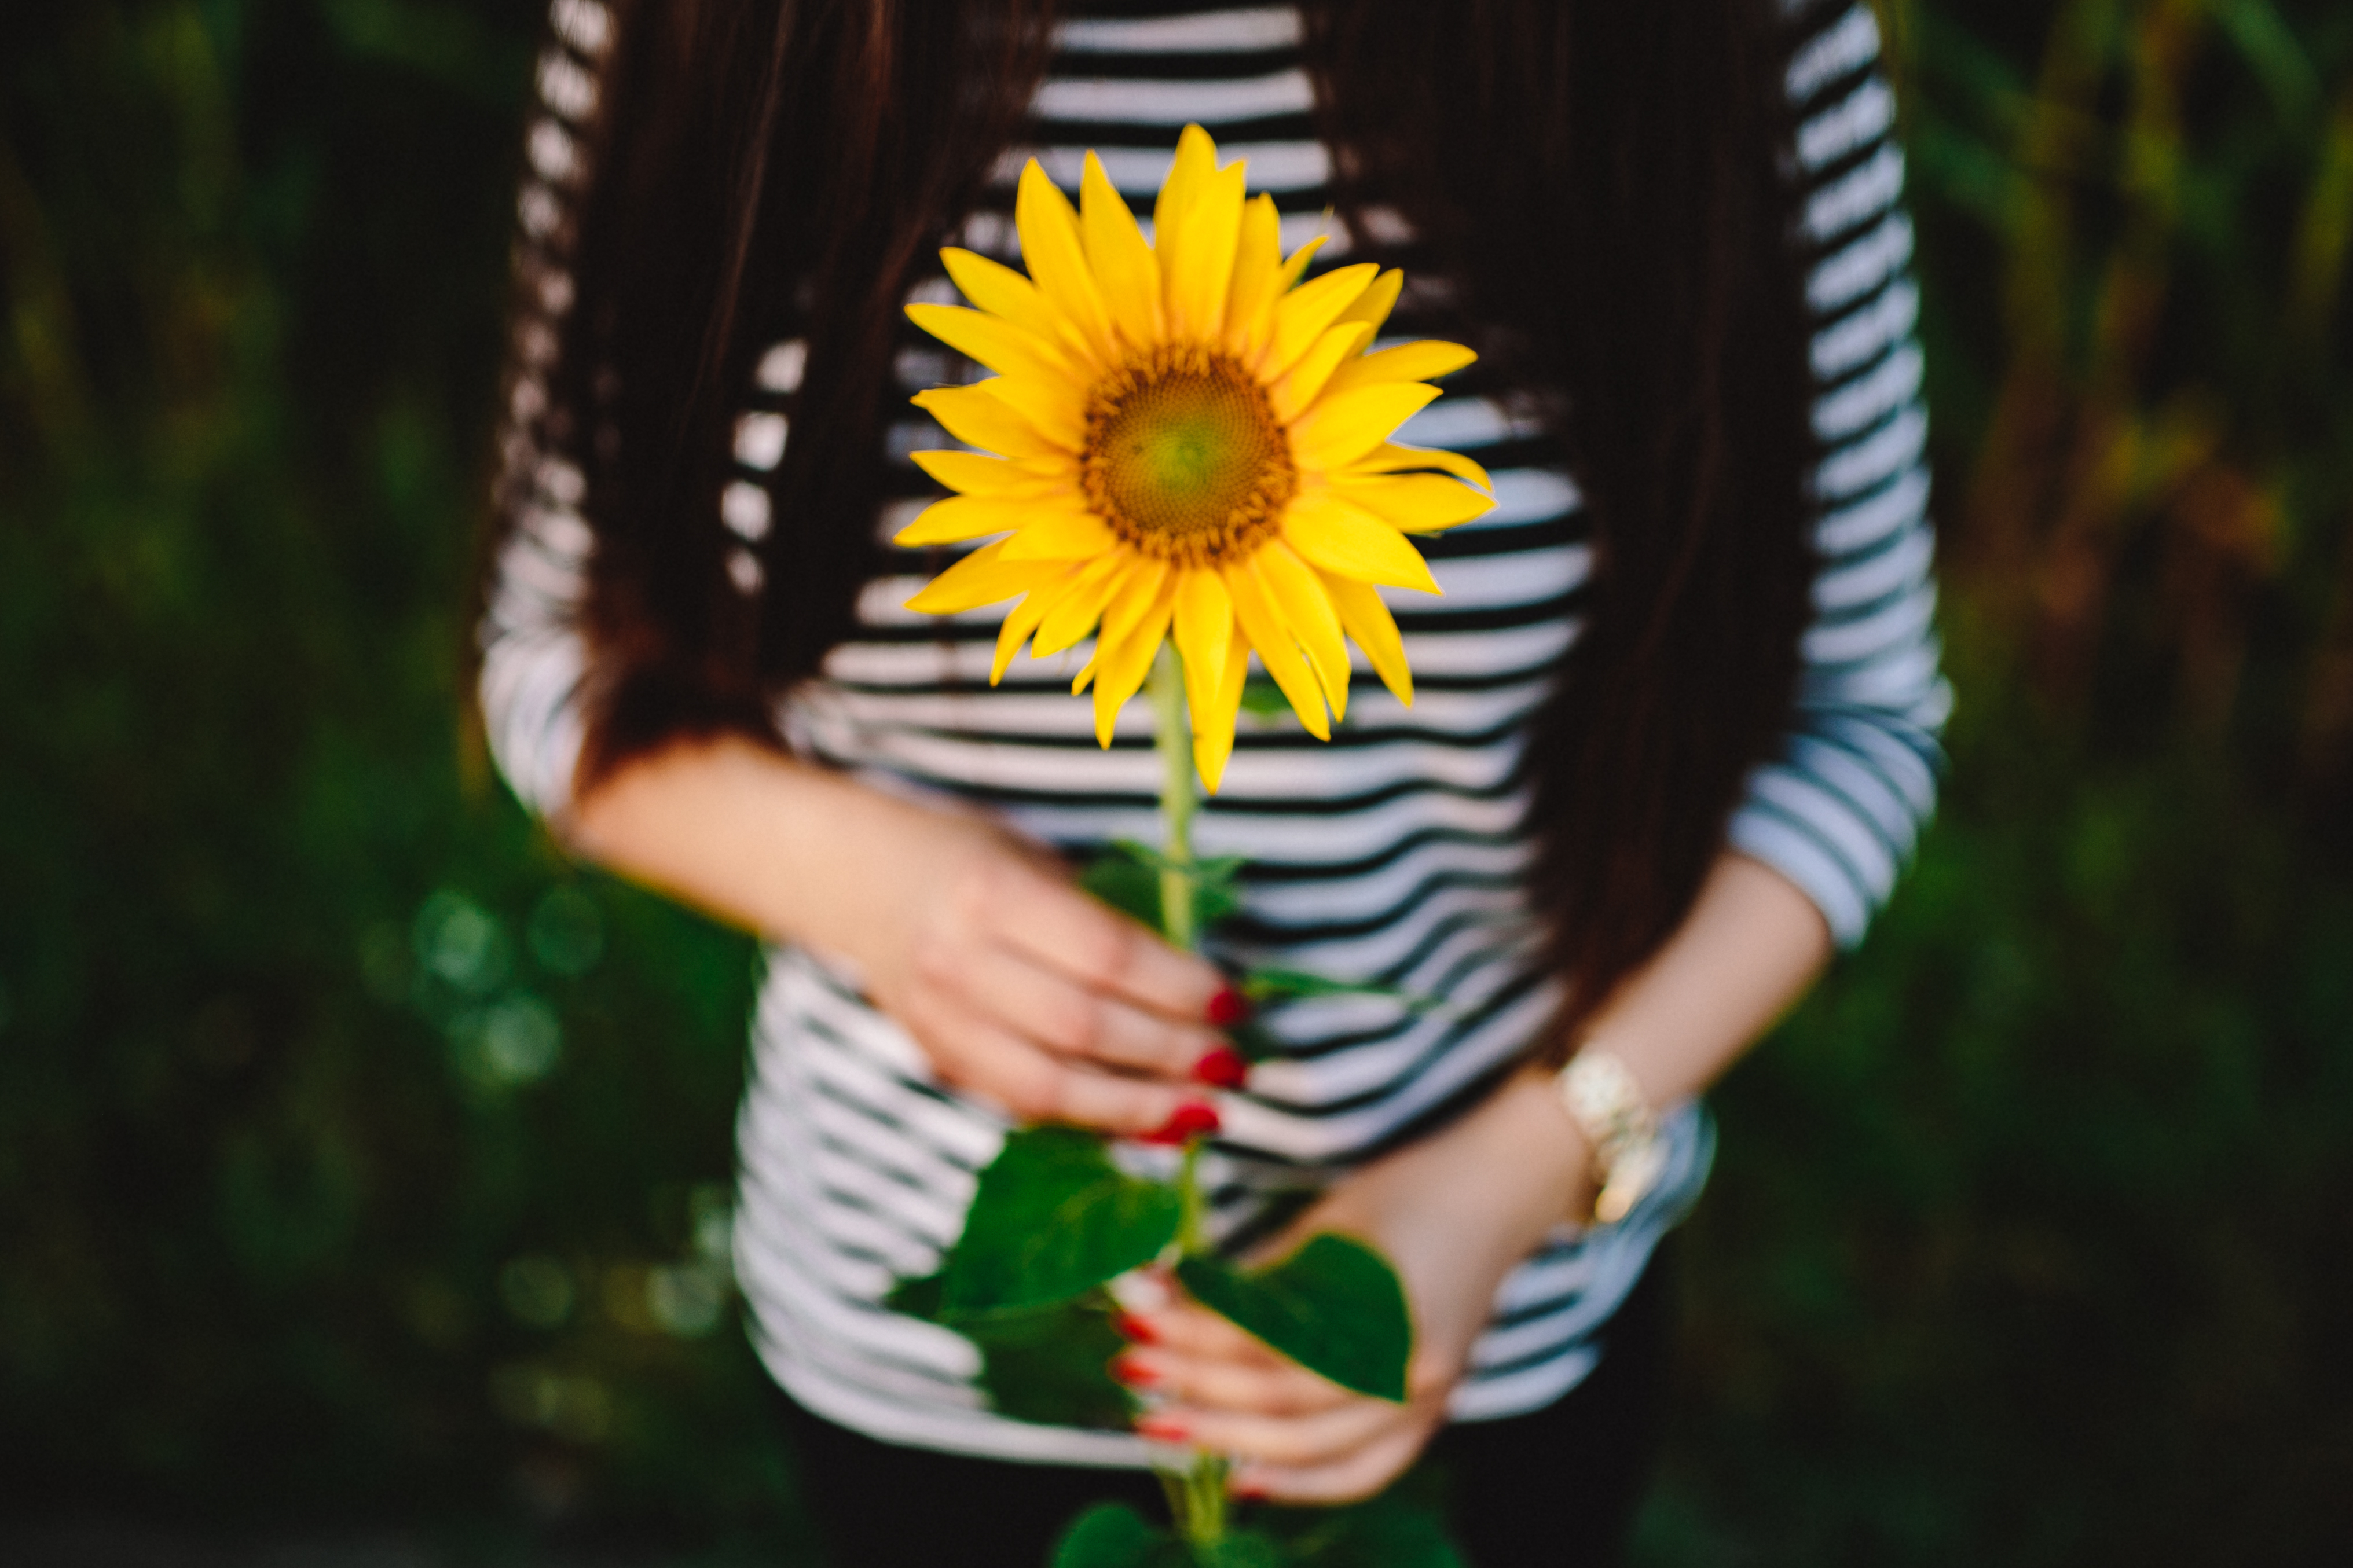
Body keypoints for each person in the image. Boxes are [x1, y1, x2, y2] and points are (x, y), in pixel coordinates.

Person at [475, 1, 1945, 1562]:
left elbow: (1858, 716)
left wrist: (1529, 1162)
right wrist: (890, 898)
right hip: (928, 1344)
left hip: (1487, 1328)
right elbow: (558, 653)